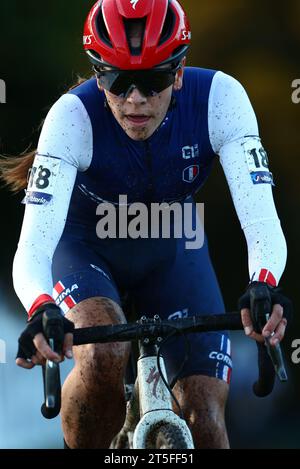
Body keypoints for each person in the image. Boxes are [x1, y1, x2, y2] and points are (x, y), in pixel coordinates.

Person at [0, 0, 291, 449]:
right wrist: (42, 308)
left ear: (178, 72)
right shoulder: (70, 117)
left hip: (174, 251)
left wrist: (264, 283)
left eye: (153, 80)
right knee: (101, 355)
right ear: (98, 76)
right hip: (86, 251)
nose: (135, 99)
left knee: (207, 418)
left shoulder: (221, 99)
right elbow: (33, 246)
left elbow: (260, 217)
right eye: (117, 81)